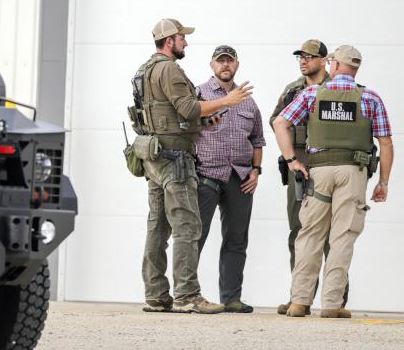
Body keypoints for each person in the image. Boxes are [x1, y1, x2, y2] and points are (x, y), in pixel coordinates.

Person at [132, 19, 252, 314]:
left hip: (154, 155)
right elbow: (187, 108)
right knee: (187, 225)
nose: (186, 42)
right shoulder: (169, 68)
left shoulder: (145, 69)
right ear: (169, 40)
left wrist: (205, 120)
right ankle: (187, 295)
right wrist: (228, 100)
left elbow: (169, 113)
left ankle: (157, 295)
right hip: (174, 158)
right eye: (182, 38)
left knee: (158, 228)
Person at [273, 45, 393, 318]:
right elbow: (385, 142)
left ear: (334, 65)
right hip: (353, 172)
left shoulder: (313, 93)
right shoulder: (370, 97)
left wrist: (292, 160)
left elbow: (280, 123)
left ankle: (299, 302)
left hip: (318, 171)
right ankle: (331, 304)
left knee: (309, 235)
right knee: (342, 237)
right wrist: (383, 182)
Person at [268, 39, 341, 314]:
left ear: (324, 60)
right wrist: (291, 158)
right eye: (301, 56)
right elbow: (276, 123)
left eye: (310, 57)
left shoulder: (339, 88)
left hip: (330, 166)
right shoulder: (293, 90)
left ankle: (336, 300)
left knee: (334, 235)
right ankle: (299, 297)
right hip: (300, 168)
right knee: (298, 232)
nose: (303, 61)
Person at [195, 45, 265, 313]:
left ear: (236, 65)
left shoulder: (248, 100)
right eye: (220, 61)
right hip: (206, 175)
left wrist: (256, 171)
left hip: (240, 178)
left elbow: (257, 139)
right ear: (212, 65)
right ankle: (188, 294)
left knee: (236, 239)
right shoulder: (199, 94)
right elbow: (188, 124)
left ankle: (231, 298)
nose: (225, 65)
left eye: (230, 61)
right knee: (195, 237)